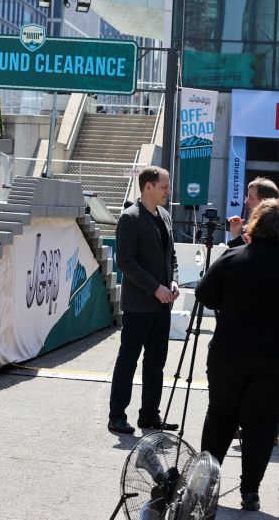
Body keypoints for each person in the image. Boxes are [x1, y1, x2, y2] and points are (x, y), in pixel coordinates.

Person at [196, 198, 279, 512]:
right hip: (274, 356)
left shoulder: (234, 257)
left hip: (229, 350)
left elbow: (205, 294)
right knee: (262, 422)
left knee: (220, 415)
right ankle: (250, 492)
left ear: (254, 225)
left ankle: (207, 487)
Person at [108, 166, 180, 435]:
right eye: (164, 186)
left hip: (163, 304)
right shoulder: (130, 218)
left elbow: (170, 256)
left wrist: (172, 280)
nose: (168, 191)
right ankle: (117, 416)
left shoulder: (165, 216)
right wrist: (155, 288)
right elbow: (125, 261)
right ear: (147, 187)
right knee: (128, 360)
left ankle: (149, 415)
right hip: (139, 305)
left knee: (156, 363)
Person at [227, 177, 279, 247]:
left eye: (250, 197)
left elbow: (253, 255)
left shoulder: (270, 231)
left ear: (264, 201)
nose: (246, 201)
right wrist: (236, 235)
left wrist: (236, 236)